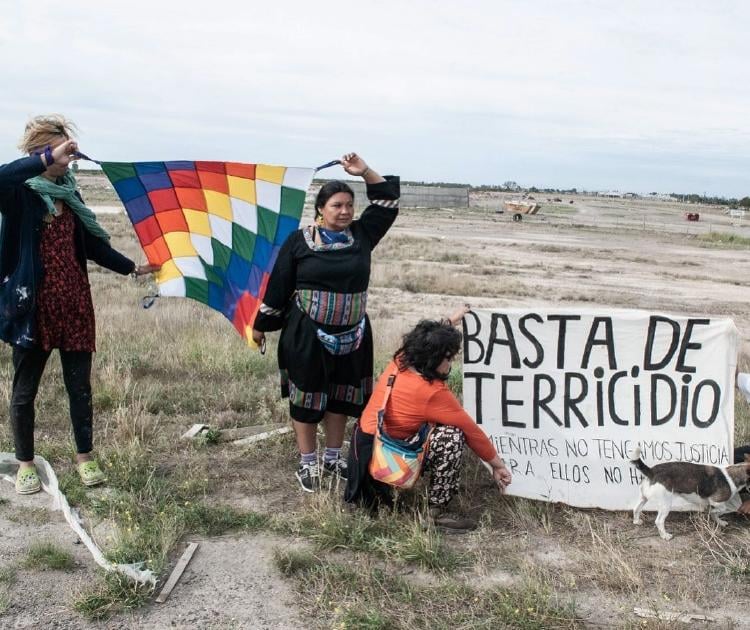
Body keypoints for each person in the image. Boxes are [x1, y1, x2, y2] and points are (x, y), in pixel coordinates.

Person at [0, 114, 158, 495]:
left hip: (73, 305)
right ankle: (25, 464)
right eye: (59, 150)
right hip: (31, 310)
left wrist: (132, 268)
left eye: (68, 150)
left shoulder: (70, 194)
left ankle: (85, 457)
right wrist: (44, 157)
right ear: (41, 151)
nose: (67, 158)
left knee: (80, 388)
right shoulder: (19, 192)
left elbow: (90, 244)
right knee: (24, 392)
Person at [252, 153, 399, 492]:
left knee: (342, 398)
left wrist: (365, 172)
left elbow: (387, 203)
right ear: (321, 209)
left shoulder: (362, 236)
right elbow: (278, 284)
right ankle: (308, 463)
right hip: (307, 336)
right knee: (306, 400)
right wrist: (261, 324)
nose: (345, 211)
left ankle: (333, 458)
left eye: (349, 205)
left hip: (354, 336)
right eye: (337, 205)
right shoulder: (299, 241)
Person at [344, 307, 512, 530]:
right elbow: (472, 431)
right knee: (452, 436)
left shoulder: (401, 360)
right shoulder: (432, 393)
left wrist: (451, 320)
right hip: (386, 462)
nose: (451, 364)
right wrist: (497, 466)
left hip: (363, 452)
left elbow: (427, 340)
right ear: (434, 359)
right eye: (449, 358)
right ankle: (435, 514)